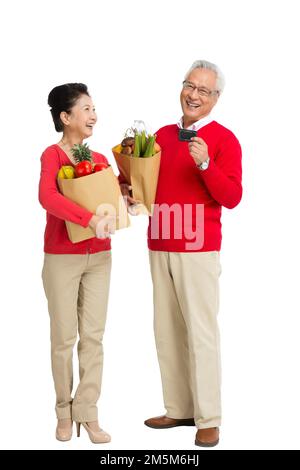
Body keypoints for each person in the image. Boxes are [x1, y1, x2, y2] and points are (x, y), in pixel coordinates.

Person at [122, 60, 242, 447]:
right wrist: (130, 193)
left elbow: (232, 197)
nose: (193, 95)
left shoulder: (224, 140)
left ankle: (209, 417)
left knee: (201, 333)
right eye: (190, 86)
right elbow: (147, 187)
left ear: (216, 98)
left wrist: (206, 163)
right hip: (159, 242)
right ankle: (179, 408)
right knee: (167, 331)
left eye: (203, 91)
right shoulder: (159, 135)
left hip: (198, 248)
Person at [39, 83, 115, 443]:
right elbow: (47, 196)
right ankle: (63, 413)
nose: (93, 115)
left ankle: (88, 413)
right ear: (65, 117)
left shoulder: (99, 159)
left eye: (94, 108)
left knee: (94, 338)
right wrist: (88, 220)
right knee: (63, 338)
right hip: (62, 258)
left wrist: (128, 199)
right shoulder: (52, 157)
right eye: (86, 109)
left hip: (99, 257)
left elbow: (111, 196)